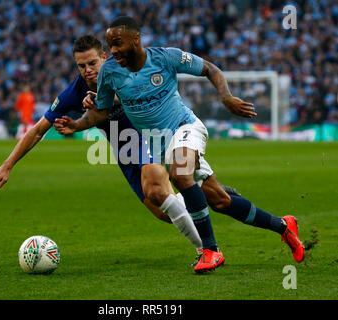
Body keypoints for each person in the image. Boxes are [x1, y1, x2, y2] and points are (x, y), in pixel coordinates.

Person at [0, 35, 241, 261]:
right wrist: (8, 164)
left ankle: (207, 251)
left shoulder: (124, 70)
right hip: (124, 148)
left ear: (104, 57)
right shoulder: (73, 92)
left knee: (158, 188)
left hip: (149, 137)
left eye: (92, 63)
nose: (88, 70)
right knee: (162, 211)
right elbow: (38, 130)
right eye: (81, 66)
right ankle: (206, 196)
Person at [78, 16, 304, 273]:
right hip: (162, 145)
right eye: (110, 44)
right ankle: (284, 226)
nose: (113, 50)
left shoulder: (164, 58)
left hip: (186, 127)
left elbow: (210, 68)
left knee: (180, 173)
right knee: (221, 201)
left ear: (135, 39)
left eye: (117, 43)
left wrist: (227, 97)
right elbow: (102, 112)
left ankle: (211, 250)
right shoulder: (110, 71)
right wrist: (76, 125)